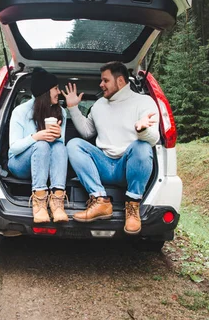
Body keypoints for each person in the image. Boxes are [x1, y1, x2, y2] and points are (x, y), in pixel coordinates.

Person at [61, 61, 159, 234]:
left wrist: (142, 130)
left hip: (128, 167)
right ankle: (100, 200)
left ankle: (132, 207)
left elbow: (154, 138)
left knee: (142, 146)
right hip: (104, 165)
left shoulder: (144, 102)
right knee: (74, 144)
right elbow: (86, 132)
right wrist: (73, 108)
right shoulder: (99, 105)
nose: (101, 85)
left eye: (105, 81)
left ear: (120, 81)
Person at [8, 68, 69, 223]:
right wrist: (36, 137)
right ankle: (40, 203)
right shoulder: (20, 111)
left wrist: (58, 136)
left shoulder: (61, 112)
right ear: (45, 91)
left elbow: (58, 150)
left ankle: (57, 203)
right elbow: (14, 148)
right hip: (19, 164)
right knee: (41, 145)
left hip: (45, 165)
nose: (59, 92)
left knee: (60, 147)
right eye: (55, 88)